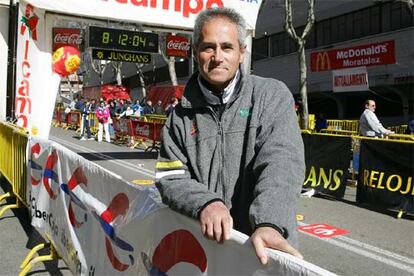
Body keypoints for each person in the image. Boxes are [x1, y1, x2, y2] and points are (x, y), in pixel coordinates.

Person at [155, 8, 305, 265]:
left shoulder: (271, 96)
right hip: (207, 252)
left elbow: (282, 162)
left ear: (241, 53)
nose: (217, 57)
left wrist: (270, 222)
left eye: (227, 47)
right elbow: (170, 178)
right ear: (194, 52)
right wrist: (206, 203)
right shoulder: (178, 117)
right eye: (208, 47)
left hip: (265, 249)